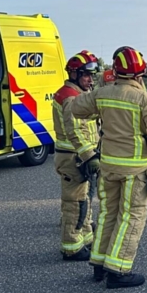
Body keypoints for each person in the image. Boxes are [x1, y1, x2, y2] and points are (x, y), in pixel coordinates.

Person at [70, 46, 147, 288]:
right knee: (132, 216)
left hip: (108, 166)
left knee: (108, 214)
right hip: (135, 169)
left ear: (116, 71)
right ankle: (118, 270)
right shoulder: (144, 99)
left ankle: (99, 264)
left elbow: (75, 107)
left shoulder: (102, 94)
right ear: (139, 76)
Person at [52, 51, 100, 260]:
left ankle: (85, 238)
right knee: (74, 204)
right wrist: (89, 155)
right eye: (86, 75)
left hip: (78, 156)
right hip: (74, 158)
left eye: (92, 75)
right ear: (74, 74)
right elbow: (74, 130)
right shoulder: (70, 97)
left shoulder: (77, 94)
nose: (90, 79)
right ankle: (71, 248)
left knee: (84, 201)